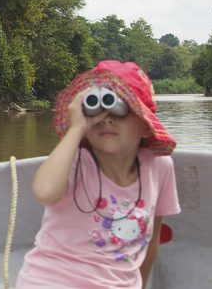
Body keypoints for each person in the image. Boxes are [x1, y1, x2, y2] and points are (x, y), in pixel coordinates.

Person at [16, 60, 180, 289]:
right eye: (95, 108)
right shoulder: (75, 161)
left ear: (144, 125)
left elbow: (152, 239)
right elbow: (45, 192)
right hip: (52, 281)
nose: (106, 118)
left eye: (121, 108)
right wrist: (76, 128)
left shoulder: (159, 167)